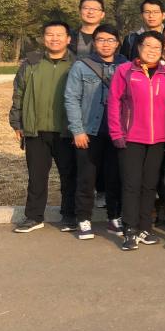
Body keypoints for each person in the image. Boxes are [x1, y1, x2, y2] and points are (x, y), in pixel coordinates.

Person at [107, 31, 165, 250]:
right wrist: (116, 133)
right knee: (131, 184)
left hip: (158, 139)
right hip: (131, 138)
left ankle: (146, 227)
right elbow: (114, 102)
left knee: (149, 185)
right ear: (138, 47)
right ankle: (130, 229)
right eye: (148, 46)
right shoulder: (125, 71)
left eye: (157, 47)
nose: (152, 51)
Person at [10, 20, 78, 233]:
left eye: (59, 35)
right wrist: (17, 122)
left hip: (67, 131)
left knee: (69, 175)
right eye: (50, 34)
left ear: (68, 39)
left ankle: (70, 215)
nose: (54, 38)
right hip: (36, 130)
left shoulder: (77, 64)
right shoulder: (31, 63)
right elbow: (18, 93)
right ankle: (33, 217)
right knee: (37, 176)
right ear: (43, 38)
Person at [64, 24, 125, 239]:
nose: (105, 44)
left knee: (114, 178)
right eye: (100, 40)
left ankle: (114, 217)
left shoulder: (126, 65)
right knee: (86, 178)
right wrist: (77, 130)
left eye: (110, 40)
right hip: (89, 131)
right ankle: (84, 219)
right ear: (94, 43)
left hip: (117, 132)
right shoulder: (81, 66)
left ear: (118, 43)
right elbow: (71, 98)